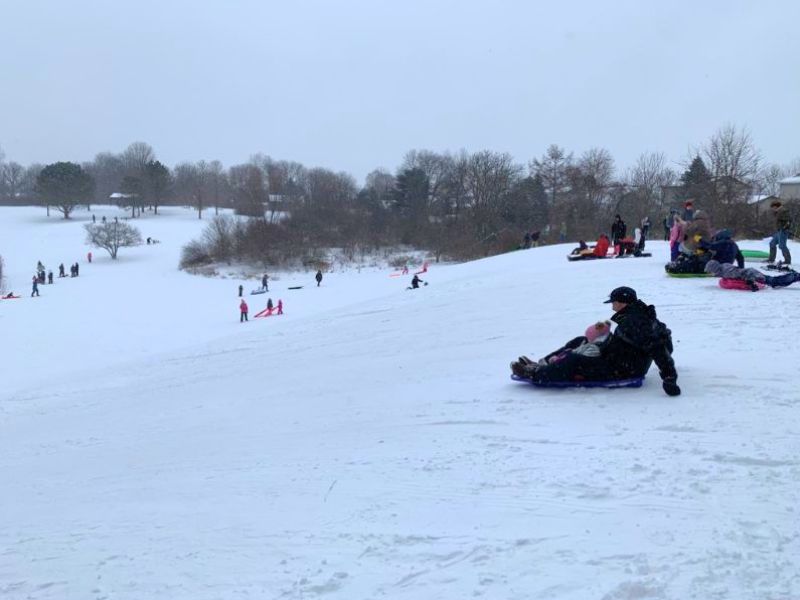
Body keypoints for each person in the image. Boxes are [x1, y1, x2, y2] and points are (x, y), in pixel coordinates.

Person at [510, 286, 680, 396]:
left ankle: (535, 374)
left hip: (621, 369)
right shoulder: (637, 315)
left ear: (621, 303)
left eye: (612, 302)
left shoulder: (635, 322)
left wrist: (669, 377)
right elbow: (665, 339)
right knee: (581, 340)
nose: (611, 306)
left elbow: (658, 346)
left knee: (575, 360)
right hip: (618, 358)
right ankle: (543, 363)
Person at [704, 259, 800, 290]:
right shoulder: (723, 267)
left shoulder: (727, 271)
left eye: (710, 271)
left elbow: (741, 273)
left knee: (774, 282)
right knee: (773, 280)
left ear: (714, 269)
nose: (711, 274)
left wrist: (750, 282)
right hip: (752, 273)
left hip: (753, 275)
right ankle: (796, 276)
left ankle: (796, 276)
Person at [767, 200, 792, 265]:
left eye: (772, 207)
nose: (772, 209)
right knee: (772, 243)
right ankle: (771, 259)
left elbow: (788, 220)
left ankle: (787, 260)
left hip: (783, 230)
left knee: (782, 246)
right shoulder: (778, 211)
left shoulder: (783, 211)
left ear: (775, 206)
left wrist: (784, 228)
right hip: (779, 231)